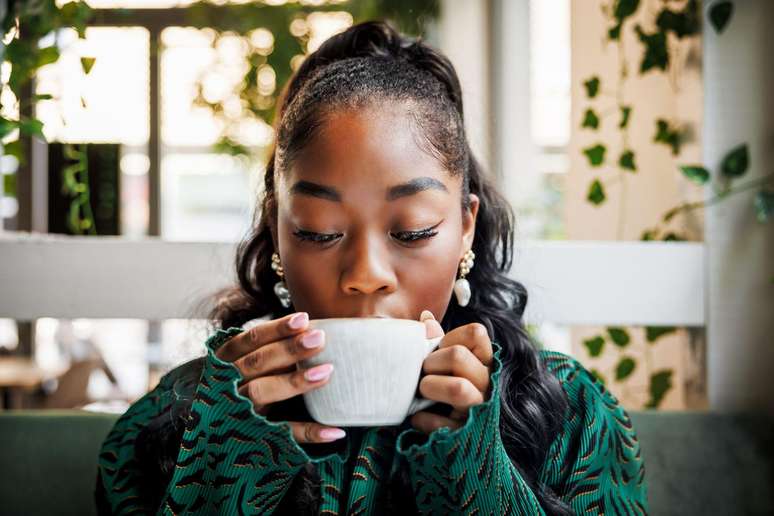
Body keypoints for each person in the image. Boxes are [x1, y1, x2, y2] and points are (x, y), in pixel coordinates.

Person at [95, 20, 648, 515]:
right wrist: (224, 467)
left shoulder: (568, 413)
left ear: (466, 228)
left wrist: (475, 473)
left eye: (411, 231)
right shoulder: (173, 421)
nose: (365, 273)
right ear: (277, 233)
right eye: (318, 230)